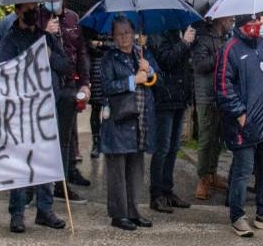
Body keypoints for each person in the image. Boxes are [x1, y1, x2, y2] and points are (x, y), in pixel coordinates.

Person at [0, 2, 70, 233]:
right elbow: (4, 71)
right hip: (22, 108)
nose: (33, 12)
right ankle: (17, 212)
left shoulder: (45, 37)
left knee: (46, 157)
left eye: (35, 8)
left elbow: (65, 65)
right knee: (20, 160)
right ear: (18, 11)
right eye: (28, 9)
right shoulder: (10, 39)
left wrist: (49, 56)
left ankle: (45, 209)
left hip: (47, 104)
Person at [216, 13, 263, 237]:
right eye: (256, 23)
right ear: (244, 25)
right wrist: (239, 114)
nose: (260, 27)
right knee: (243, 171)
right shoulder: (230, 49)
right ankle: (237, 216)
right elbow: (222, 85)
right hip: (243, 124)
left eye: (261, 23)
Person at [96, 16, 156, 232]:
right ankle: (118, 214)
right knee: (117, 171)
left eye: (127, 33)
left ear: (133, 33)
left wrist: (148, 70)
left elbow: (155, 79)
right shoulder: (109, 58)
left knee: (135, 169)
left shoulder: (141, 54)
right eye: (120, 33)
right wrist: (133, 80)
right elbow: (107, 86)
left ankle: (134, 210)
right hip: (119, 120)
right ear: (113, 36)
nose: (124, 37)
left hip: (139, 119)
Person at [147, 21, 195, 213]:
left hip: (179, 96)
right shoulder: (156, 32)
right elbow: (166, 60)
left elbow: (183, 64)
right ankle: (156, 194)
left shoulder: (176, 31)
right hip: (164, 97)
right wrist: (184, 43)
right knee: (162, 148)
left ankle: (168, 190)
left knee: (174, 147)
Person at [45, 0, 92, 193]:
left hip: (70, 85)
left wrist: (85, 82)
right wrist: (46, 33)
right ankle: (44, 185)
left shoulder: (73, 18)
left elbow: (81, 52)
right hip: (49, 85)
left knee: (67, 136)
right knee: (49, 138)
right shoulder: (40, 19)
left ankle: (63, 180)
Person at [190, 15, 232, 200]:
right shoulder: (203, 38)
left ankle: (213, 173)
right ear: (220, 19)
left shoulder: (223, 38)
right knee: (206, 139)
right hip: (205, 96)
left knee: (216, 139)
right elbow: (199, 66)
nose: (232, 20)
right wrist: (220, 54)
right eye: (230, 17)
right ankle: (203, 179)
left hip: (220, 95)